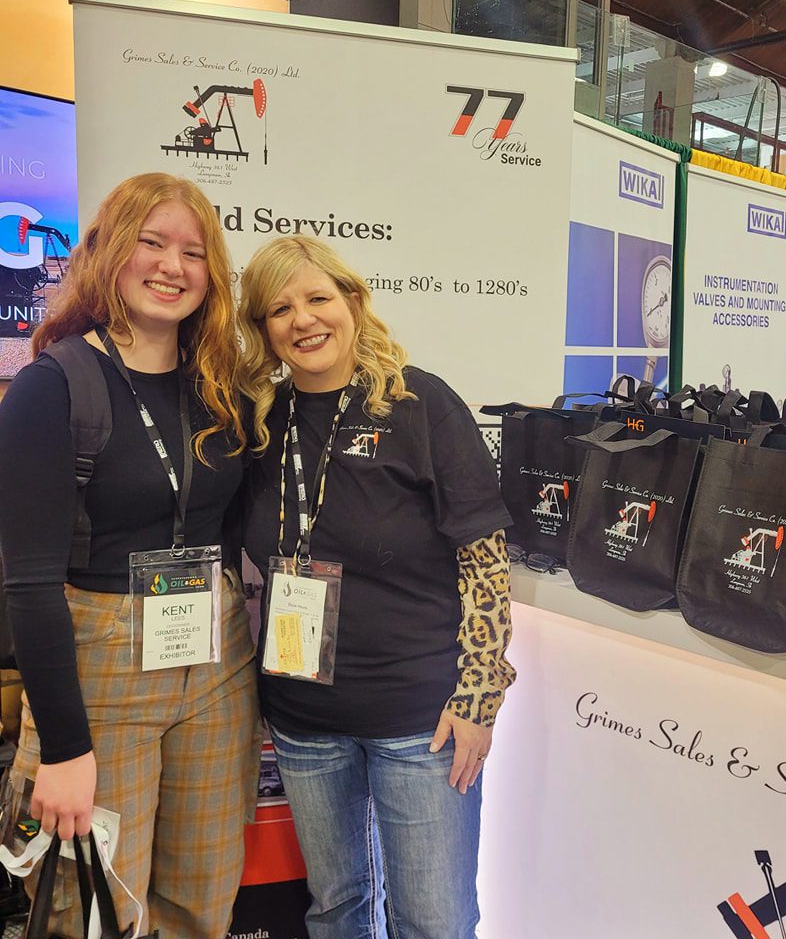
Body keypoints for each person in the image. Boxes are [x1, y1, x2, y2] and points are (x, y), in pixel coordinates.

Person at [0, 173, 261, 938]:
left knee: (201, 900)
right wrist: (65, 749)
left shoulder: (222, 386)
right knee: (94, 911)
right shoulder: (54, 388)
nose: (171, 266)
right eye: (152, 242)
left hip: (216, 664)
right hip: (101, 674)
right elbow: (31, 584)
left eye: (192, 250)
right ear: (111, 250)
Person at [238, 235, 515, 939]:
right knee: (336, 908)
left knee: (432, 920)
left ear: (353, 302)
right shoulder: (260, 423)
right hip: (303, 719)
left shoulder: (419, 405)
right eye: (279, 308)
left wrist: (480, 695)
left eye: (318, 298)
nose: (303, 320)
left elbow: (484, 560)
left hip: (421, 720)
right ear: (262, 329)